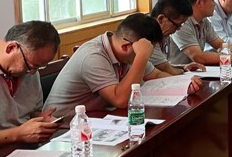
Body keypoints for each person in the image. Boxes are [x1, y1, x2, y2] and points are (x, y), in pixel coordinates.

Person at [45, 13, 194, 118]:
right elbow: (120, 100)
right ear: (126, 46)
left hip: (98, 119)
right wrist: (141, 57)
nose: (146, 56)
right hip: (64, 127)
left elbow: (155, 75)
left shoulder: (125, 51)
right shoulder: (93, 57)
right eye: (145, 52)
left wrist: (185, 84)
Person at [0, 21, 61, 147]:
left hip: (31, 152)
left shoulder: (30, 69)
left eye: (39, 67)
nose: (33, 73)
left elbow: (32, 111)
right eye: (31, 66)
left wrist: (42, 120)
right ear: (11, 48)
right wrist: (17, 134)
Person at [149, 0, 205, 76]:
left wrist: (183, 67)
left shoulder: (162, 35)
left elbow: (160, 65)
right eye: (177, 25)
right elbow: (168, 70)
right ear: (161, 19)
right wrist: (182, 71)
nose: (178, 29)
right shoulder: (147, 35)